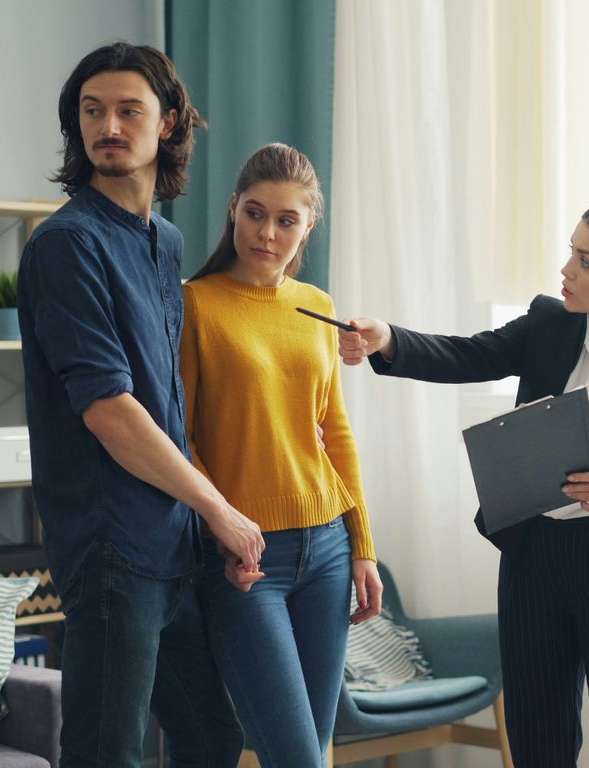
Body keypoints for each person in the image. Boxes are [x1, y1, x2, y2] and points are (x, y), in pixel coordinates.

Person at [337, 198, 589, 768]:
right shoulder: (549, 326)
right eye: (571, 253)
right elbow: (466, 355)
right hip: (536, 559)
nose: (567, 271)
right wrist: (388, 338)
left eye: (587, 261)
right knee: (538, 745)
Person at [18, 42, 264, 768]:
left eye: (129, 110)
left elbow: (165, 400)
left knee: (211, 737)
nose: (109, 126)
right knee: (106, 751)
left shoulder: (165, 242)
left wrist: (201, 520)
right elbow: (111, 411)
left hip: (171, 544)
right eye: (92, 111)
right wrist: (219, 508)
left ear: (170, 122)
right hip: (109, 545)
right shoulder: (66, 245)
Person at [181, 143, 384, 766]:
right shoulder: (196, 303)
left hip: (325, 549)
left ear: (308, 226)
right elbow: (182, 439)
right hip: (247, 558)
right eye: (254, 213)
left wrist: (363, 547)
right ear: (233, 211)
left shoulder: (318, 307)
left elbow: (336, 431)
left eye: (286, 220)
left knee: (314, 753)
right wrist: (223, 529)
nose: (267, 233)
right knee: (296, 756)